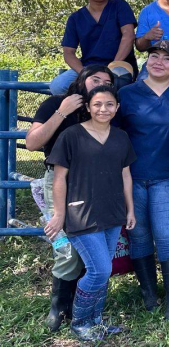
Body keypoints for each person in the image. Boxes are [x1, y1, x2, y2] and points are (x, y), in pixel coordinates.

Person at [43, 86, 136, 341]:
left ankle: (95, 320)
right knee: (99, 270)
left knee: (102, 272)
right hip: (81, 212)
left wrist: (130, 209)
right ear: (88, 107)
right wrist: (59, 214)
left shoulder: (120, 137)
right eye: (97, 104)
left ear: (117, 108)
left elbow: (125, 174)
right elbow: (59, 178)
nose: (103, 109)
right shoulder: (71, 136)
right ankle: (80, 322)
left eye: (109, 104)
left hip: (113, 212)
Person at [26, 65, 114, 331]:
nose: (99, 83)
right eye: (94, 78)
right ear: (81, 80)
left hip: (97, 182)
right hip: (60, 180)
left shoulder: (105, 109)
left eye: (106, 81)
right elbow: (32, 143)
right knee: (66, 246)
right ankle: (59, 306)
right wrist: (62, 111)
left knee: (92, 244)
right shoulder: (55, 103)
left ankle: (83, 305)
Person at [118, 40, 169, 319]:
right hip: (132, 176)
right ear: (146, 61)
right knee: (138, 235)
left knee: (167, 237)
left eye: (167, 59)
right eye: (154, 56)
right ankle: (149, 296)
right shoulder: (127, 94)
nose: (159, 62)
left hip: (167, 177)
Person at [50, 0, 137, 95]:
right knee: (58, 86)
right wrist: (84, 73)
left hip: (119, 64)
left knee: (117, 86)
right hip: (89, 67)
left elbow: (128, 36)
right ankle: (79, 113)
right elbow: (68, 53)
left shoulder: (119, 6)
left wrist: (111, 67)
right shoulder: (76, 18)